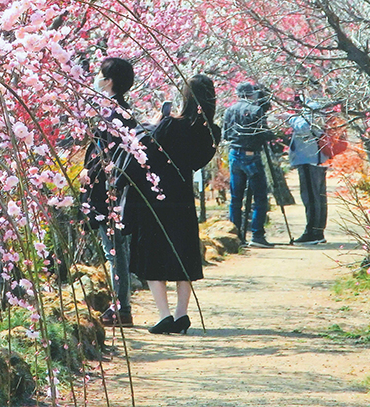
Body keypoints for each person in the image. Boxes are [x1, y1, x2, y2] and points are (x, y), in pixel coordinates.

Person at [120, 74, 221, 335]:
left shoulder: (170, 125)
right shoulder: (212, 131)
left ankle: (164, 315)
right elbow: (197, 162)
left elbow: (146, 156)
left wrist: (156, 125)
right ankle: (181, 314)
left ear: (185, 97)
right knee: (183, 252)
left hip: (157, 197)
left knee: (152, 253)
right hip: (184, 198)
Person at [81, 57, 139, 327]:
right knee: (118, 250)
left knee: (114, 251)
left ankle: (121, 308)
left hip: (108, 191)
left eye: (101, 75)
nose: (97, 79)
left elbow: (103, 154)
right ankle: (122, 306)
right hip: (116, 189)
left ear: (110, 80)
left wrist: (88, 173)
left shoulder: (112, 114)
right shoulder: (120, 111)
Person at [223, 82, 276, 248]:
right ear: (252, 94)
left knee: (235, 198)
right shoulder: (256, 110)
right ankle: (257, 234)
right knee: (260, 196)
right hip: (251, 156)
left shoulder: (229, 110)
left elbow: (225, 134)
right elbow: (263, 133)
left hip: (234, 154)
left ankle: (236, 235)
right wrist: (271, 134)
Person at [288, 96, 328, 244]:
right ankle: (317, 231)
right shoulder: (316, 106)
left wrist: (290, 118)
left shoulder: (313, 106)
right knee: (318, 196)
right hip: (313, 158)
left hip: (309, 158)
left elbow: (305, 127)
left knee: (311, 197)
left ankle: (313, 232)